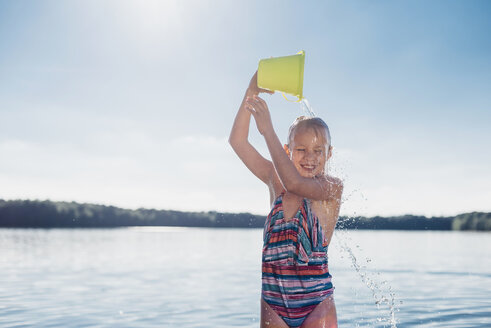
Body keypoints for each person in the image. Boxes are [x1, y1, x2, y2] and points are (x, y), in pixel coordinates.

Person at [229, 72, 343, 328]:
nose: (309, 157)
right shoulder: (274, 179)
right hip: (273, 303)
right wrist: (252, 91)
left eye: (318, 151)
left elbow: (296, 184)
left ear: (329, 153)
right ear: (287, 150)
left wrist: (267, 130)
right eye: (301, 149)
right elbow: (237, 142)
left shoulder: (331, 188)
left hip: (316, 303)